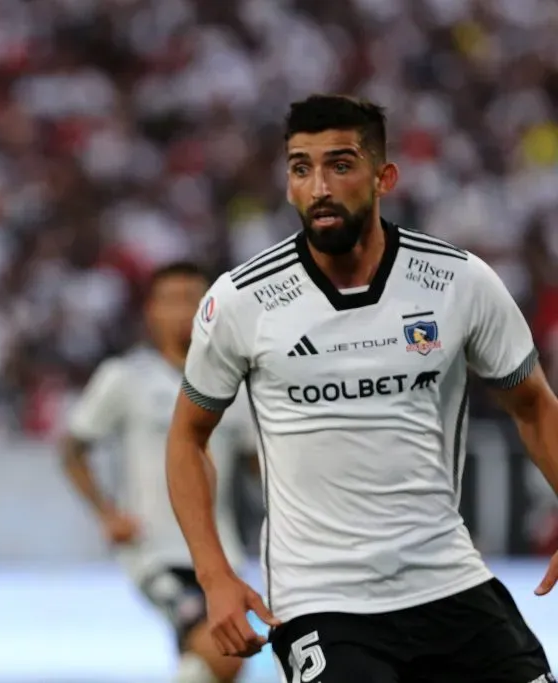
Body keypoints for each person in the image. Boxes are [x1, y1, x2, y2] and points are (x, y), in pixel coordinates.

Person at [165, 94, 558, 682]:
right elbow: (187, 440)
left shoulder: (458, 282)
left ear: (383, 177)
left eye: (340, 165)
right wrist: (214, 574)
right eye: (302, 168)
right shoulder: (242, 301)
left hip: (448, 580)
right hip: (320, 600)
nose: (319, 185)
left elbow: (534, 407)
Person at [62, 262, 254, 683]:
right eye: (172, 300)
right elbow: (73, 447)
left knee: (211, 659)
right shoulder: (126, 377)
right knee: (224, 651)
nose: (184, 310)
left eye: (195, 299)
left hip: (223, 550)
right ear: (151, 311)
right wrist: (107, 513)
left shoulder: (236, 384)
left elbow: (257, 464)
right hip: (155, 549)